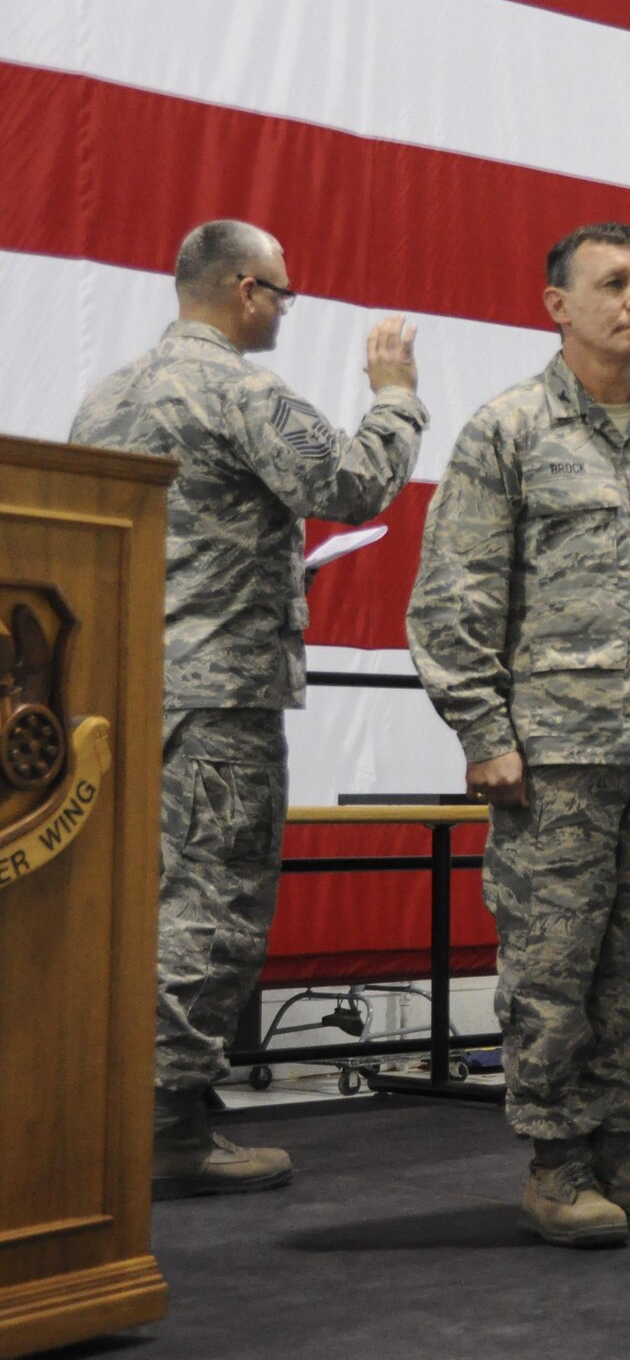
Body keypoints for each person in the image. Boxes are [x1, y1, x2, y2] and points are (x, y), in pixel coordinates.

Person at [69, 219, 427, 1200]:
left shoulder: (108, 395)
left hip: (114, 693)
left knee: (129, 909)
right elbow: (349, 485)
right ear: (242, 287)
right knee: (210, 909)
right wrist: (394, 397)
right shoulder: (237, 387)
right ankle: (167, 1128)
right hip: (218, 694)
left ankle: (109, 1112)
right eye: (283, 290)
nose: (284, 306)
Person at [407, 222, 630, 1246]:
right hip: (555, 755)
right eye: (613, 282)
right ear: (556, 304)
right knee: (555, 966)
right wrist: (483, 729)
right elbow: (451, 595)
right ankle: (555, 1165)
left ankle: (623, 1152)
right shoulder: (508, 428)